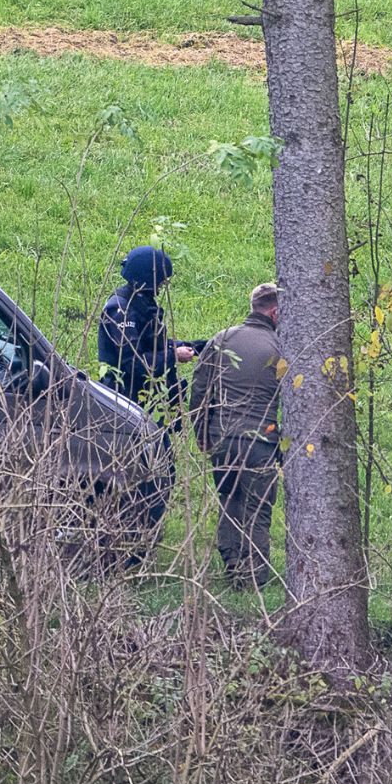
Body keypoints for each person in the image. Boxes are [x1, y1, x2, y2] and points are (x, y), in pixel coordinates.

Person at [190, 282, 281, 589]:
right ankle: (253, 579)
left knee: (229, 501)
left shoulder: (222, 339)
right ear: (274, 311)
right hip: (261, 444)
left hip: (223, 440)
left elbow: (199, 389)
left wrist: (202, 431)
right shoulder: (280, 347)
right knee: (257, 510)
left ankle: (232, 564)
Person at [98, 245, 198, 419]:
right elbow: (134, 364)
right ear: (149, 280)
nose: (162, 285)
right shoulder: (122, 310)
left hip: (147, 402)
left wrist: (196, 347)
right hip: (126, 406)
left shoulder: (141, 303)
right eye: (161, 281)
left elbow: (151, 345)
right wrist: (174, 355)